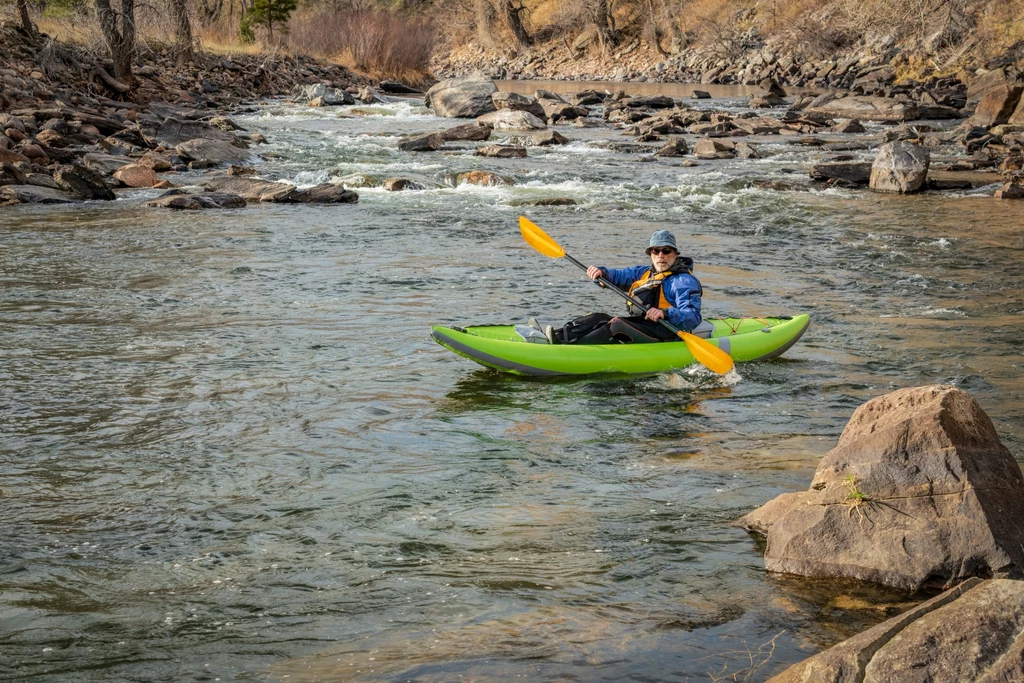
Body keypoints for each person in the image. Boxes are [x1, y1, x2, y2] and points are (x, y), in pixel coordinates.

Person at [547, 230, 702, 345]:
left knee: (617, 324)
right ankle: (557, 337)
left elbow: (693, 317)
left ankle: (569, 349)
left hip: (668, 331)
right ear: (651, 254)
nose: (661, 255)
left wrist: (665, 313)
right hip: (645, 325)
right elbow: (617, 276)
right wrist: (601, 273)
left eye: (666, 251)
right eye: (656, 251)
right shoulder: (644, 273)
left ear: (675, 254)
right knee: (598, 317)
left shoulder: (683, 281)